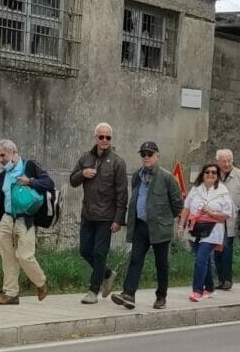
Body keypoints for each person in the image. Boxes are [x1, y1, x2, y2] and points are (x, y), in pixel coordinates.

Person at [113, 140, 185, 309]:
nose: (146, 157)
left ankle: (161, 297)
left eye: (149, 154)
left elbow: (177, 205)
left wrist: (164, 218)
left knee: (161, 264)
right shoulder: (137, 176)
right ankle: (128, 295)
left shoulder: (167, 178)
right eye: (143, 154)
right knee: (135, 259)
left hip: (160, 227)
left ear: (157, 156)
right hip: (141, 225)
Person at [0, 139, 55, 304]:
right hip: (6, 219)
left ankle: (41, 282)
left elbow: (49, 183)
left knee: (25, 256)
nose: (1, 159)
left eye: (3, 155)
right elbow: (0, 200)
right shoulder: (3, 174)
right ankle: (10, 293)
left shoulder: (29, 166)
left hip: (26, 220)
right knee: (8, 258)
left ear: (13, 153)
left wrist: (30, 181)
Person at [70, 122, 127, 303]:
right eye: (101, 137)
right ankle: (107, 273)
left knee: (99, 252)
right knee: (85, 250)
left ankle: (93, 291)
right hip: (88, 213)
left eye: (107, 137)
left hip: (106, 216)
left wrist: (118, 219)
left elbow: (122, 193)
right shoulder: (85, 158)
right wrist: (82, 173)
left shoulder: (117, 162)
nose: (104, 140)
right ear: (95, 138)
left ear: (111, 139)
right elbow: (72, 180)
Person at [183, 161, 235, 303]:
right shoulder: (196, 189)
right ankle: (210, 287)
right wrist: (181, 225)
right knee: (203, 259)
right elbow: (186, 208)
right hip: (195, 228)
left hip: (213, 230)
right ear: (203, 174)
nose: (210, 174)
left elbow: (227, 214)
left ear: (217, 175)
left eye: (214, 172)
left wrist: (212, 212)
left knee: (200, 259)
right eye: (207, 172)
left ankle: (197, 290)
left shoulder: (222, 191)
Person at [212, 147, 240, 291]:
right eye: (224, 161)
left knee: (227, 248)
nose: (227, 164)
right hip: (215, 218)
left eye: (229, 161)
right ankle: (220, 279)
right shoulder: (213, 174)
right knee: (217, 249)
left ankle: (227, 279)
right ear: (218, 162)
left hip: (232, 219)